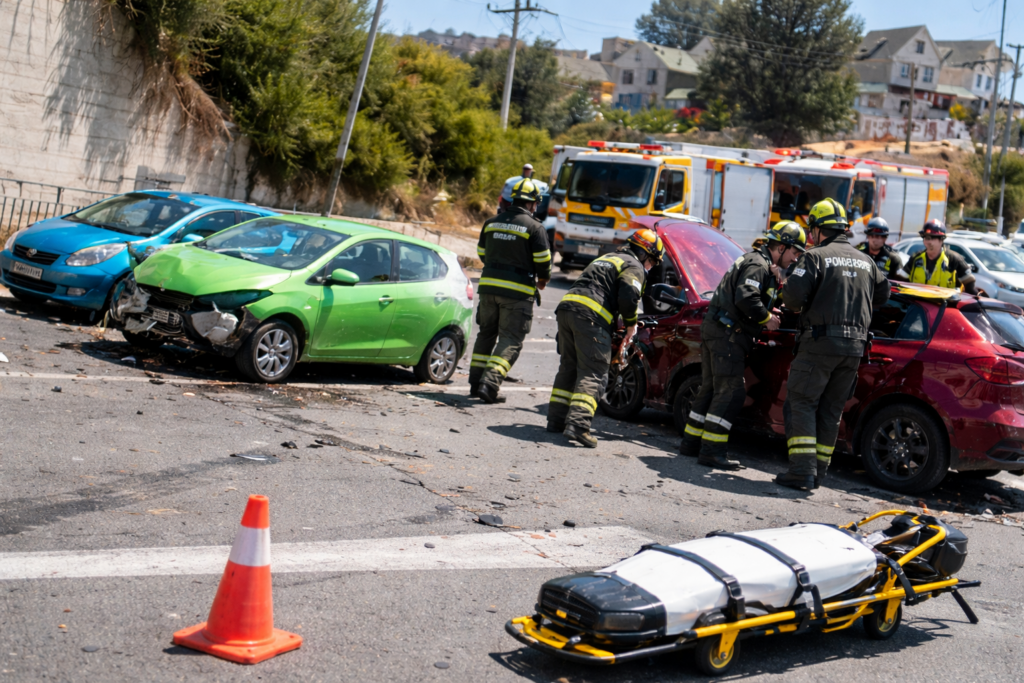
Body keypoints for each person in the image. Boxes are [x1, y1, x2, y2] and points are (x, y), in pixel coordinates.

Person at [776, 199, 890, 491]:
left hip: (819, 344)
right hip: (854, 349)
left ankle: (802, 471)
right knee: (831, 409)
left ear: (817, 229)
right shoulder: (866, 261)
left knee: (801, 402)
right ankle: (818, 473)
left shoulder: (815, 257)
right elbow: (884, 294)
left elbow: (792, 300)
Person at [679, 222, 807, 469]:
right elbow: (746, 298)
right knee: (731, 392)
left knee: (711, 388)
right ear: (781, 247)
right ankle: (712, 451)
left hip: (718, 330)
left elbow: (753, 295)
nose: (795, 258)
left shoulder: (759, 264)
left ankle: (691, 442)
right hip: (728, 335)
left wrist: (771, 301)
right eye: (795, 252)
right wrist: (766, 318)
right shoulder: (758, 265)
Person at [549, 229, 664, 448]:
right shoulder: (634, 265)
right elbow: (629, 294)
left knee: (569, 367)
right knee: (595, 372)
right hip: (590, 316)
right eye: (652, 261)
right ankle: (578, 425)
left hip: (567, 309)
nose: (650, 267)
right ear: (644, 253)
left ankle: (556, 420)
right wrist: (630, 324)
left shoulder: (608, 258)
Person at [470, 177, 551, 403]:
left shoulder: (491, 222)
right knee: (511, 339)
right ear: (532, 203)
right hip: (517, 293)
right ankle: (489, 384)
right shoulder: (535, 227)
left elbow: (482, 253)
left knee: (486, 334)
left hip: (488, 288)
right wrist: (543, 280)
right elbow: (543, 262)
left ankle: (475, 383)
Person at [906, 220, 978, 294]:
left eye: (932, 238)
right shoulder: (915, 258)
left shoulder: (954, 260)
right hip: (916, 301)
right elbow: (900, 282)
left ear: (941, 239)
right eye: (926, 237)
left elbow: (971, 290)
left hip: (946, 301)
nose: (928, 242)